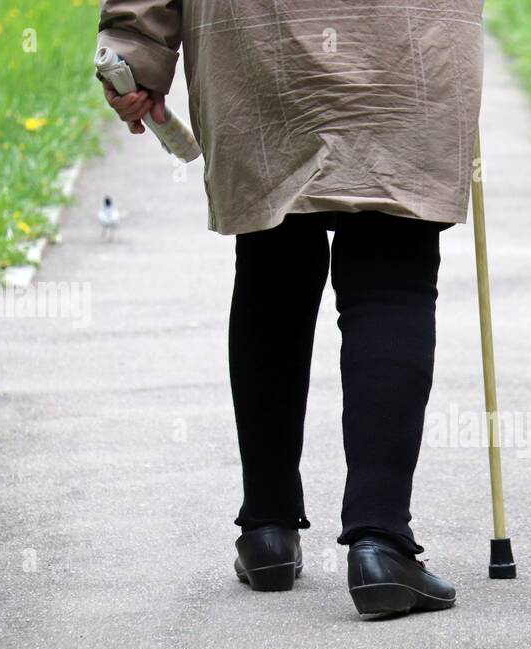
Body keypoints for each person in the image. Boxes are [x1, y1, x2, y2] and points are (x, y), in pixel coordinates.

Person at [97, 1, 485, 617]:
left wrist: (135, 49)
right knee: (392, 268)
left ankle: (268, 532)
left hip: (255, 33)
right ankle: (380, 542)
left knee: (272, 260)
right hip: (404, 37)